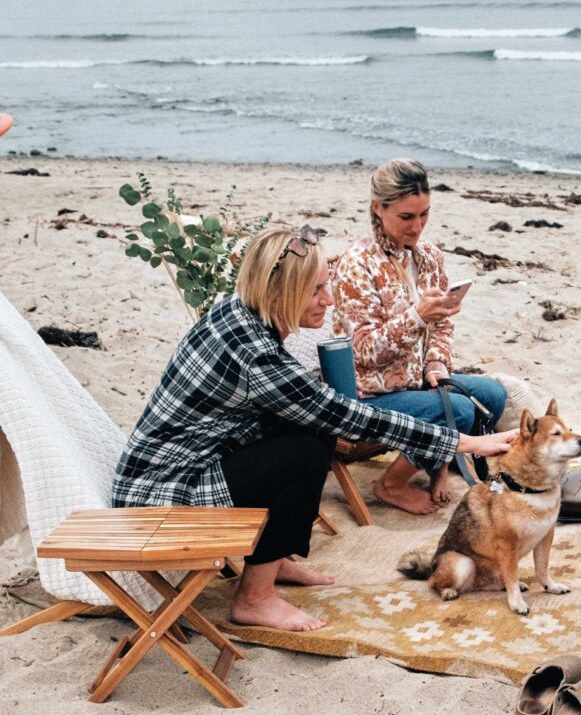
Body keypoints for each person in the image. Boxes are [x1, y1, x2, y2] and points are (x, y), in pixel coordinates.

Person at [112, 224, 516, 633]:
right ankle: (255, 599)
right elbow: (351, 417)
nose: (329, 300)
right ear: (278, 294)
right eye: (316, 291)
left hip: (186, 468)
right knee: (304, 451)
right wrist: (465, 442)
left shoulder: (240, 311)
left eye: (327, 285)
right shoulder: (255, 354)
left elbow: (317, 410)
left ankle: (273, 558)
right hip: (164, 498)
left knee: (311, 432)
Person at [332, 159, 507, 515]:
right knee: (457, 410)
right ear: (379, 208)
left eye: (424, 214)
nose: (418, 227)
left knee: (493, 395)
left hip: (416, 382)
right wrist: (416, 317)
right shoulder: (357, 264)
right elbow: (362, 352)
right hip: (369, 393)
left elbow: (441, 326)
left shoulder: (429, 256)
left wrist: (436, 363)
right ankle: (391, 484)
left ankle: (438, 461)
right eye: (407, 217)